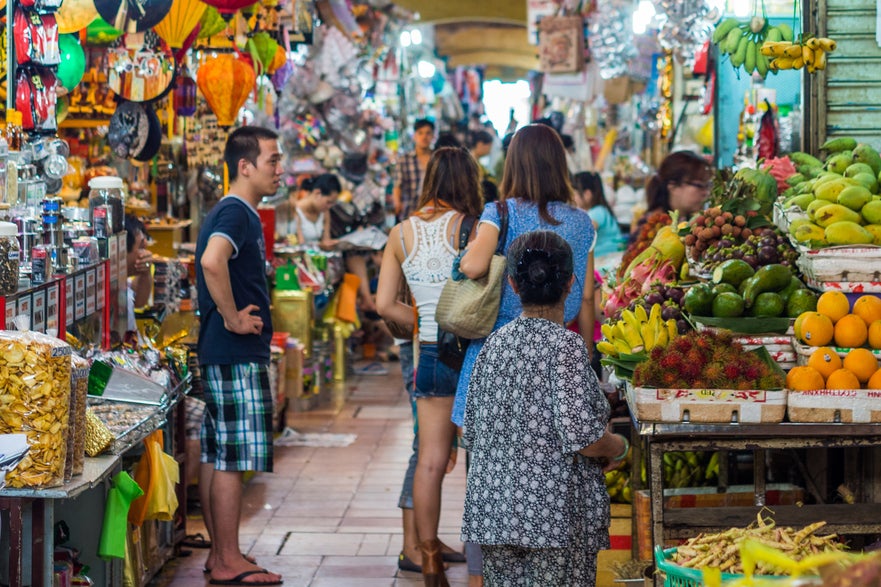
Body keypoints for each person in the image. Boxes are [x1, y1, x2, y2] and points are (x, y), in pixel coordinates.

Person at [454, 123, 597, 587]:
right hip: (557, 353)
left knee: (490, 473)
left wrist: (474, 249)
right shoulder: (581, 221)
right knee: (557, 469)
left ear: (513, 163)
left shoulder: (499, 212)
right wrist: (588, 357)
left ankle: (486, 577)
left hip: (496, 359)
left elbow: (473, 266)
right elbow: (589, 298)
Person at [461, 230, 628, 585]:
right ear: (570, 283)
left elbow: (471, 432)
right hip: (552, 517)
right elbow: (585, 438)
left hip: (496, 512)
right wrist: (619, 446)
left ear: (513, 285)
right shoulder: (565, 346)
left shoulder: (492, 346)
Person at [376, 147, 483, 587]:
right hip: (473, 353)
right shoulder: (473, 228)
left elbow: (383, 304)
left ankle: (430, 555)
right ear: (468, 182)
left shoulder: (400, 232)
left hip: (432, 354)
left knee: (430, 460)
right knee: (482, 460)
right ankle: (482, 561)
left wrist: (421, 322)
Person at [195, 126, 283, 586]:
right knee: (230, 457)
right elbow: (213, 261)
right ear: (244, 166)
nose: (280, 169)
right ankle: (228, 560)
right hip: (233, 349)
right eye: (272, 160)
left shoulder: (235, 211)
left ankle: (220, 554)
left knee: (216, 452)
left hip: (221, 351)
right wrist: (231, 317)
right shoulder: (237, 213)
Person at [631, 150, 712, 237]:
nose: (706, 192)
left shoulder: (686, 222)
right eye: (699, 185)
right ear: (673, 186)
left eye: (707, 185)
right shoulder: (653, 227)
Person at [277, 173, 341, 248]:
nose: (329, 207)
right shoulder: (295, 211)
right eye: (328, 202)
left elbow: (326, 240)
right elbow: (298, 244)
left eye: (332, 203)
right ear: (317, 193)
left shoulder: (325, 212)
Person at [573, 171, 624, 258]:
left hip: (606, 261)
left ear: (587, 194)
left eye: (574, 194)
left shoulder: (596, 212)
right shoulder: (600, 209)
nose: (572, 198)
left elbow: (583, 235)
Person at [393, 118, 435, 221]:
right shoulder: (404, 159)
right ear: (414, 136)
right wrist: (397, 203)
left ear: (433, 136)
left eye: (428, 133)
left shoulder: (437, 159)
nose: (424, 137)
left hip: (432, 214)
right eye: (420, 133)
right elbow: (397, 185)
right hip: (409, 212)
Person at [124, 214, 153, 334]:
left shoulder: (123, 282)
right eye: (141, 247)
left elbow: (140, 302)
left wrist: (145, 273)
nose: (145, 253)